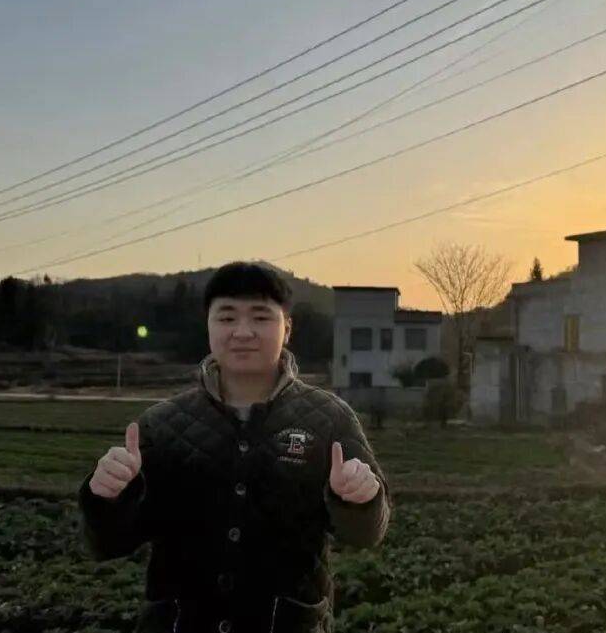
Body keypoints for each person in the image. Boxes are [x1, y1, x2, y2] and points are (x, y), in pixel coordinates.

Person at [78, 261, 390, 633]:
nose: (243, 332)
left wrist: (358, 499)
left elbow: (367, 533)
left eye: (260, 317)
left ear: (287, 329)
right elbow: (107, 544)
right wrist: (108, 498)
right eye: (227, 318)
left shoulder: (329, 418)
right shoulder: (161, 424)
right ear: (208, 327)